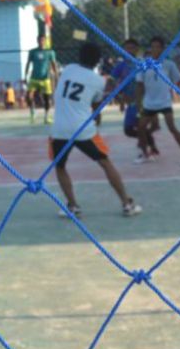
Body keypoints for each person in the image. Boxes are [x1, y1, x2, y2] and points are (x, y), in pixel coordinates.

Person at [50, 41, 142, 218]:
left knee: (60, 167)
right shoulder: (98, 81)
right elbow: (96, 105)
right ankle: (126, 203)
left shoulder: (68, 69)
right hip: (83, 129)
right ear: (97, 60)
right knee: (105, 163)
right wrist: (97, 119)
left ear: (79, 56)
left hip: (59, 130)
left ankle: (73, 206)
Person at [135, 36, 180, 166]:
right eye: (153, 47)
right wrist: (139, 103)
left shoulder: (169, 64)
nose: (155, 49)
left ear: (163, 49)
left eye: (158, 47)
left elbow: (178, 80)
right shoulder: (144, 64)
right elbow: (139, 85)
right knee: (141, 128)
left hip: (164, 102)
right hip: (149, 103)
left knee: (172, 127)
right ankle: (145, 153)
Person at [112, 38, 159, 160]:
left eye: (132, 48)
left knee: (141, 126)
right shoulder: (121, 66)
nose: (129, 50)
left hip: (143, 100)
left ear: (137, 49)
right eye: (126, 48)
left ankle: (145, 151)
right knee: (128, 130)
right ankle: (150, 144)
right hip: (131, 102)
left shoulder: (142, 63)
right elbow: (115, 82)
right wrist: (121, 101)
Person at [25, 34, 58, 124]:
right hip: (34, 78)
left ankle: (46, 117)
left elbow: (54, 64)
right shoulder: (32, 52)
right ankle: (33, 112)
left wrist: (56, 76)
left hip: (45, 79)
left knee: (47, 99)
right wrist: (25, 75)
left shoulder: (50, 52)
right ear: (37, 41)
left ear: (45, 41)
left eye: (43, 40)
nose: (41, 42)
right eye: (40, 40)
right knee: (29, 96)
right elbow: (28, 63)